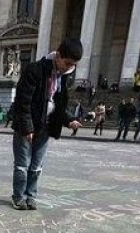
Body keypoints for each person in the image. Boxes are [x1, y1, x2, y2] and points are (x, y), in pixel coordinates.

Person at [9, 38, 83, 210]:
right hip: (26, 127)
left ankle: (30, 197)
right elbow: (23, 102)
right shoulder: (35, 70)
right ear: (57, 55)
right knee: (22, 165)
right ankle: (18, 197)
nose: (69, 68)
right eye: (67, 63)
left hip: (45, 127)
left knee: (36, 167)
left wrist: (69, 119)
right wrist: (27, 127)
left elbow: (57, 106)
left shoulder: (62, 78)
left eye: (73, 65)